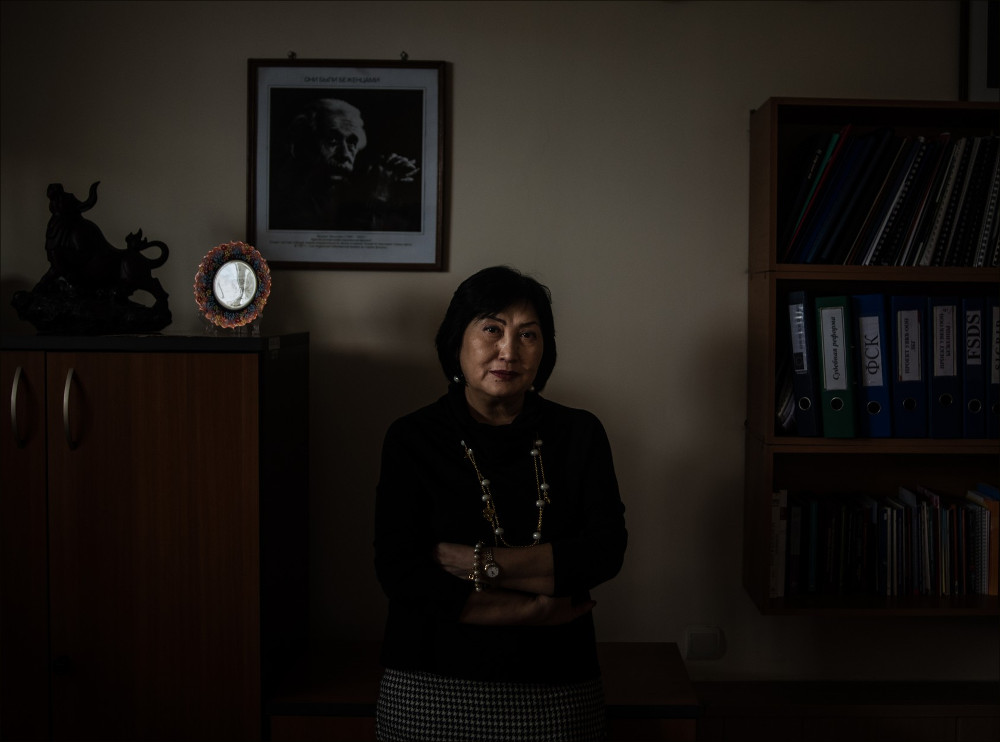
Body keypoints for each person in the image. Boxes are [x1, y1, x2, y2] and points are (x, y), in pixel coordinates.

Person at [373, 265, 628, 741]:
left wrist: (476, 563)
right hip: (430, 684)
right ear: (457, 339)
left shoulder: (580, 434)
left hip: (557, 686)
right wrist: (534, 611)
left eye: (528, 335)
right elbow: (402, 574)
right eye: (492, 329)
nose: (509, 351)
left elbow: (604, 553)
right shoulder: (412, 438)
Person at [269, 97, 420, 231]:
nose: (345, 155)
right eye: (332, 140)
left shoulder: (345, 193)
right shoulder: (284, 200)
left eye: (352, 143)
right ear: (303, 144)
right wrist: (378, 197)